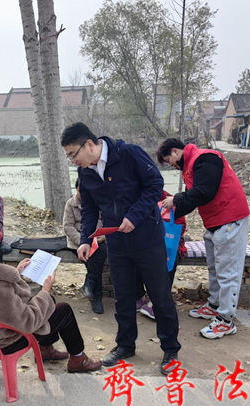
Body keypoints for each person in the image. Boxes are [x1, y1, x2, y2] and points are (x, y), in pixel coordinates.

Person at [60, 122, 180, 375]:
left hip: (147, 239)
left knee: (160, 296)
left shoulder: (128, 153)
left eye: (73, 154)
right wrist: (86, 239)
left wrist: (135, 216)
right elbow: (90, 208)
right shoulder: (86, 171)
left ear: (89, 144)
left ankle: (170, 348)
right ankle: (125, 344)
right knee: (123, 296)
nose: (72, 160)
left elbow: (154, 185)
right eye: (69, 156)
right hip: (116, 242)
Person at [0, 219, 102, 373]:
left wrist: (14, 274)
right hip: (7, 341)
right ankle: (78, 359)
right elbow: (28, 322)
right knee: (63, 310)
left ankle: (46, 349)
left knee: (48, 303)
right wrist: (45, 290)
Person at [157, 138, 250, 339]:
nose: (171, 165)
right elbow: (193, 198)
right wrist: (170, 210)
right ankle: (214, 305)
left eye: (169, 160)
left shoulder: (206, 158)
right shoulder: (190, 167)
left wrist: (175, 200)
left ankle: (226, 320)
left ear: (175, 151)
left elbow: (204, 192)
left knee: (228, 271)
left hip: (230, 218)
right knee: (215, 267)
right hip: (215, 221)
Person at [136, 190, 187, 320]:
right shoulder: (137, 197)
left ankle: (159, 302)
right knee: (133, 256)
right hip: (145, 243)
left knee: (168, 260)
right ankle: (140, 296)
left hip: (169, 245)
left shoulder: (171, 201)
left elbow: (180, 228)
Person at [63, 178, 107, 314]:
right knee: (92, 256)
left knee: (99, 252)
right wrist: (83, 242)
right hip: (78, 241)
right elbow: (68, 226)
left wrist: (104, 236)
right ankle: (96, 296)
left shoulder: (99, 201)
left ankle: (90, 284)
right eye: (81, 191)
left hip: (98, 239)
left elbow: (107, 222)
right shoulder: (70, 204)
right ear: (76, 189)